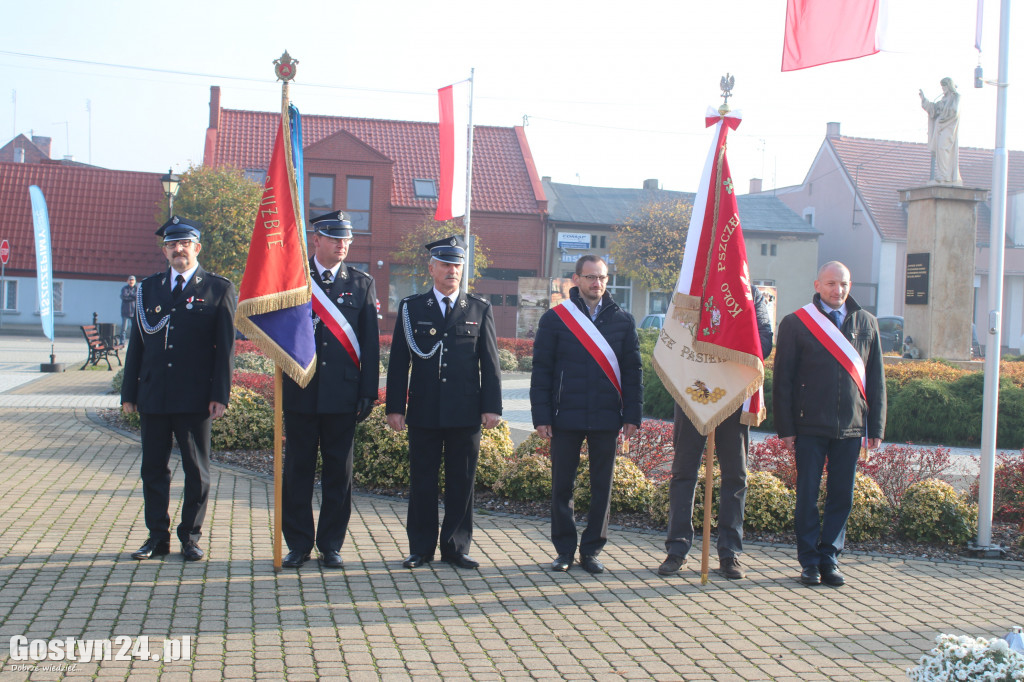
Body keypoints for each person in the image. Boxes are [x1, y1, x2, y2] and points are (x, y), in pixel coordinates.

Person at [121, 216, 236, 562]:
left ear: (197, 248)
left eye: (184, 244)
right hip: (154, 394)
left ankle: (190, 536)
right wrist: (129, 392)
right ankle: (157, 537)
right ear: (165, 251)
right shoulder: (148, 289)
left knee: (196, 470)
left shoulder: (217, 289)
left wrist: (220, 394)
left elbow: (226, 348)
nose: (178, 250)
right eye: (172, 245)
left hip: (195, 396)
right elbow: (137, 345)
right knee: (153, 469)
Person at [385, 235, 502, 570]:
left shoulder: (479, 308)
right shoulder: (412, 308)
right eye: (446, 264)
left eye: (457, 264)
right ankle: (420, 548)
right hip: (423, 410)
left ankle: (456, 547)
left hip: (465, 411)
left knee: (462, 481)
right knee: (422, 481)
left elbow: (490, 362)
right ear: (431, 267)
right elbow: (399, 361)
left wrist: (492, 406)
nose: (452, 270)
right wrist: (396, 407)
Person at [772, 261, 886, 587]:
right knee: (807, 496)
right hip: (809, 426)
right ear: (818, 284)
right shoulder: (796, 323)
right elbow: (783, 381)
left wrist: (875, 427)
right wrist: (787, 428)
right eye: (832, 284)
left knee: (842, 497)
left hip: (850, 426)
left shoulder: (867, 323)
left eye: (844, 284)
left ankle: (830, 558)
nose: (838, 290)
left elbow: (876, 379)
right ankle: (809, 561)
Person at [530, 255, 642, 574]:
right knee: (562, 486)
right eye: (591, 277)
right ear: (576, 279)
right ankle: (564, 550)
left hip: (607, 416)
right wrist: (542, 416)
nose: (597, 284)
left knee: (601, 487)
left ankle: (591, 550)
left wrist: (633, 414)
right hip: (565, 416)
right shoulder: (555, 319)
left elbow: (633, 371)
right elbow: (542, 371)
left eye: (603, 278)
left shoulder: (623, 320)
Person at [280, 211, 379, 569]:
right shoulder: (294, 279)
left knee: (339, 473)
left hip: (343, 394)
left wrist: (369, 391)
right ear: (316, 240)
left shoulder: (362, 283)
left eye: (346, 239)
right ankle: (299, 543)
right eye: (335, 238)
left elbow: (369, 342)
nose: (342, 245)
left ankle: (331, 544)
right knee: (298, 473)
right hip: (301, 390)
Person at [658, 285, 773, 580]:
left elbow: (764, 341)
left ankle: (729, 553)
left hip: (732, 392)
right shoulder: (687, 284)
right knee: (684, 471)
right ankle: (677, 549)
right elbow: (674, 337)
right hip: (692, 391)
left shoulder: (749, 292)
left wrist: (725, 357)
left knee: (735, 475)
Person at [919, 77, 961, 185]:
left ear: (949, 86)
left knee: (943, 148)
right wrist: (924, 100)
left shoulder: (955, 97)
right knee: (939, 151)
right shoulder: (943, 100)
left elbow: (954, 111)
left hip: (948, 127)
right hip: (939, 128)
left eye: (945, 86)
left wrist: (943, 116)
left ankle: (945, 176)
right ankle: (942, 175)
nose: (943, 89)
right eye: (942, 87)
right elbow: (933, 109)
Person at [119, 275, 137, 343]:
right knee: (124, 329)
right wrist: (132, 296)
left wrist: (130, 295)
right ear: (127, 281)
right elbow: (124, 297)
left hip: (134, 312)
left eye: (132, 280)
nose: (131, 281)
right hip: (125, 312)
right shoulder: (124, 288)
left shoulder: (136, 288)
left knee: (134, 329)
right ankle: (122, 342)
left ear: (135, 281)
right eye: (130, 280)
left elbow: (137, 296)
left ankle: (133, 342)